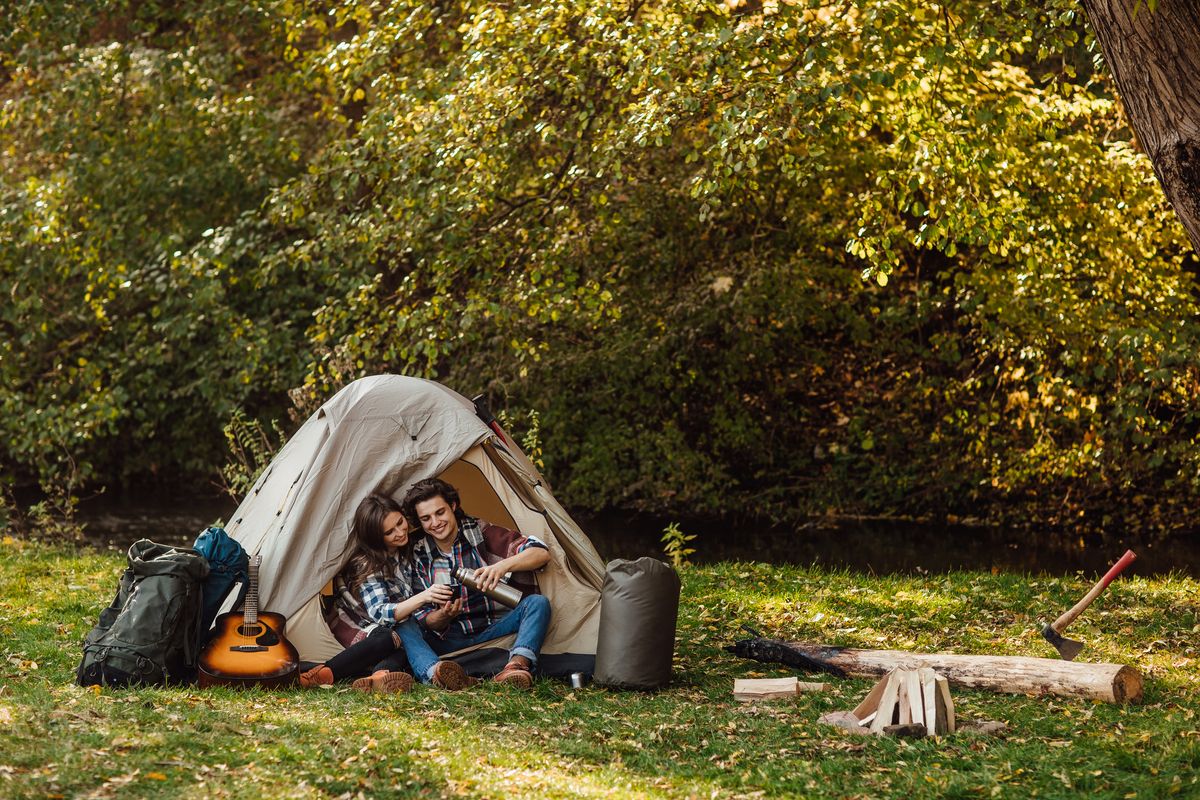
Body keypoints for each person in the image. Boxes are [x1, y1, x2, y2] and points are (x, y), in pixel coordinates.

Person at [299, 494, 475, 692]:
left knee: (409, 640)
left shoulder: (407, 549)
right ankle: (324, 673)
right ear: (377, 537)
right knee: (390, 637)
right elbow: (381, 613)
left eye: (400, 522)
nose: (400, 532)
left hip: (399, 627)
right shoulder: (367, 563)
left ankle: (380, 676)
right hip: (360, 624)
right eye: (390, 532)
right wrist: (426, 595)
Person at [403, 478, 552, 689]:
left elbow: (540, 553)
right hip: (449, 639)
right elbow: (426, 621)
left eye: (440, 512)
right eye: (426, 518)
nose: (435, 523)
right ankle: (436, 674)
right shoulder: (418, 553)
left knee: (538, 603)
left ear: (453, 506)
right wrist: (444, 616)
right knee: (403, 625)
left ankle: (515, 668)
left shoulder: (480, 532)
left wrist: (502, 566)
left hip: (493, 629)